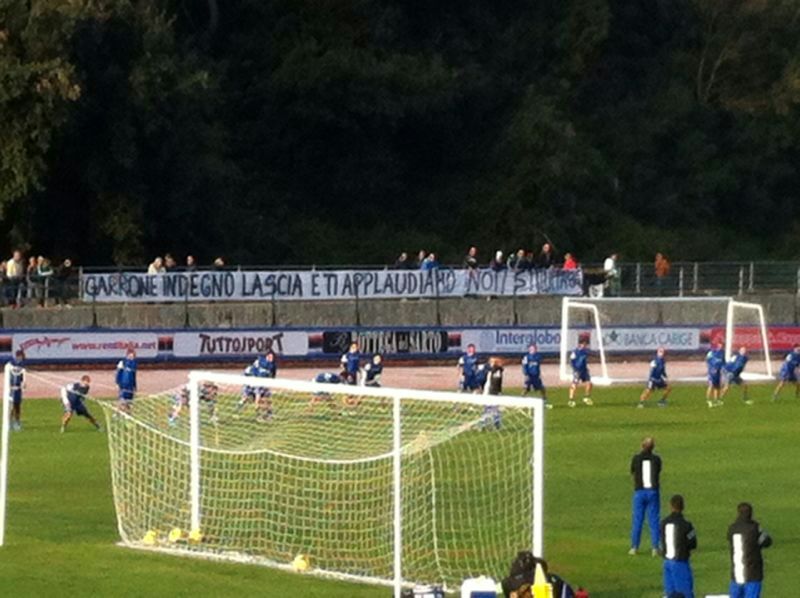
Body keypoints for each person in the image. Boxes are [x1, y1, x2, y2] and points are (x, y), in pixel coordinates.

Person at [727, 502, 772, 598]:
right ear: (751, 513)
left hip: (736, 574)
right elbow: (767, 541)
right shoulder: (754, 528)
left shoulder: (732, 528)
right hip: (752, 573)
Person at [629, 437, 662, 557]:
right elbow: (658, 471)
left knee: (637, 520)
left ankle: (634, 547)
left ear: (642, 446)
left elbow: (632, 471)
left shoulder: (636, 459)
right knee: (654, 520)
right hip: (652, 491)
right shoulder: (657, 459)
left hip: (639, 492)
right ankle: (655, 547)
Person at [660, 494, 697, 598]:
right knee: (685, 594)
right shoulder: (687, 525)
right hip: (680, 562)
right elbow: (693, 544)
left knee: (669, 594)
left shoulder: (663, 523)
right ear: (683, 507)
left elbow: (661, 538)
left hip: (667, 562)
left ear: (671, 506)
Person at [568, 338, 593, 407]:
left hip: (584, 370)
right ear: (580, 344)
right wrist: (575, 369)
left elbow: (584, 360)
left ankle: (586, 397)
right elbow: (571, 361)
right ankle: (571, 400)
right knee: (574, 384)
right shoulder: (575, 352)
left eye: (586, 344)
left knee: (589, 384)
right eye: (583, 344)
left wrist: (586, 368)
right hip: (577, 371)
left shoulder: (585, 352)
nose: (585, 346)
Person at [480, 357, 504, 430]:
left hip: (491, 391)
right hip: (492, 391)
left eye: (492, 362)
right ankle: (493, 423)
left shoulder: (494, 371)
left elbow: (495, 382)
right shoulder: (496, 371)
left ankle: (486, 423)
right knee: (493, 408)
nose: (490, 363)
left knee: (490, 408)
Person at [115, 349, 138, 414]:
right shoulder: (122, 363)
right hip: (123, 385)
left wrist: (135, 386)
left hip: (130, 386)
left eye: (133, 356)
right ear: (127, 355)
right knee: (122, 399)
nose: (131, 357)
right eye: (130, 355)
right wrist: (117, 382)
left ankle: (128, 413)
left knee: (129, 401)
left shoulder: (134, 365)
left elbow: (134, 376)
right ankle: (117, 413)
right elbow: (118, 373)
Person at [706, 339, 725, 407]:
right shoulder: (712, 352)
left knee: (717, 387)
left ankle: (716, 400)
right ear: (717, 346)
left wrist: (723, 369)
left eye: (722, 346)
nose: (721, 347)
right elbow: (708, 361)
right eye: (720, 345)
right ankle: (708, 400)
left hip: (718, 372)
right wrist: (711, 369)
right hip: (712, 372)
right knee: (711, 386)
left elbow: (723, 363)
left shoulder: (723, 353)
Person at [9, 350, 25, 431]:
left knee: (17, 406)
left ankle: (17, 422)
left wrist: (23, 384)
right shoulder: (11, 364)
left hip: (18, 389)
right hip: (12, 389)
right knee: (12, 406)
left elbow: (22, 378)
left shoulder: (22, 365)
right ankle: (10, 423)